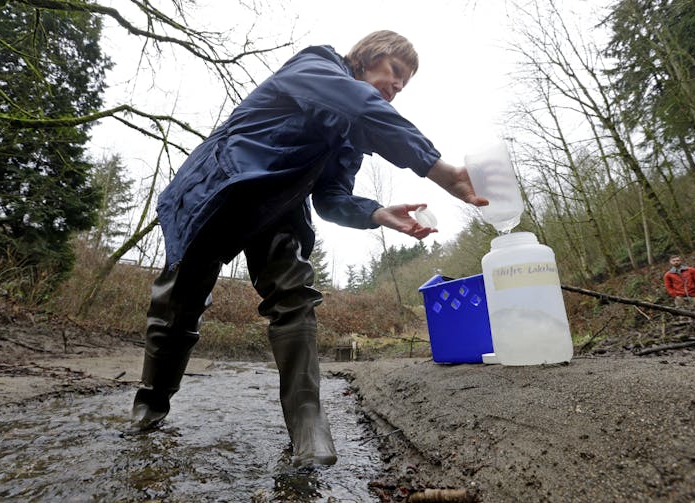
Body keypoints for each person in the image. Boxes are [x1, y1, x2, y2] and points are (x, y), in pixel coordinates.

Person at [128, 30, 488, 468]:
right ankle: (150, 406)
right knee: (179, 304)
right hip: (223, 186)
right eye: (394, 72)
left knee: (295, 296)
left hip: (279, 208)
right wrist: (436, 168)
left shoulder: (351, 138)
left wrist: (376, 212)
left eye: (403, 85)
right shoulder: (317, 65)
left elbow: (331, 197)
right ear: (366, 56)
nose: (396, 87)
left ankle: (308, 424)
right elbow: (358, 106)